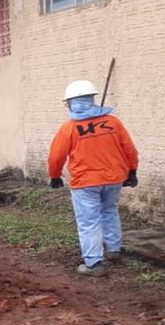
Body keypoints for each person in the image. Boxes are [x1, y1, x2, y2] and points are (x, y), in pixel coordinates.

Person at [48, 79, 139, 277]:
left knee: (88, 221)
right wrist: (132, 171)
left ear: (71, 102)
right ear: (91, 99)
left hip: (85, 182)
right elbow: (129, 149)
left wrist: (55, 176)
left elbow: (56, 156)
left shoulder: (69, 128)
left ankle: (93, 262)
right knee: (109, 211)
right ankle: (113, 250)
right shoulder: (113, 122)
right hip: (114, 178)